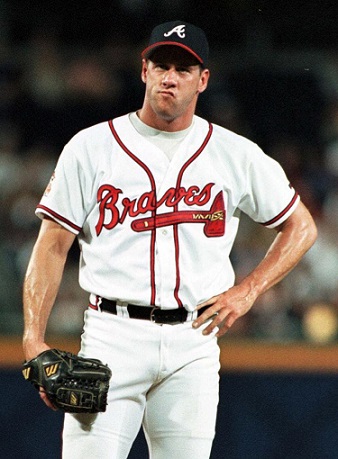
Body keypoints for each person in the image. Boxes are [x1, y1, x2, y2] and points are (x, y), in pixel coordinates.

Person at [22, 20, 317, 459]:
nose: (170, 77)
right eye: (161, 64)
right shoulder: (91, 147)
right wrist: (32, 338)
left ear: (203, 80)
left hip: (193, 342)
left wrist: (248, 289)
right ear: (144, 70)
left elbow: (302, 226)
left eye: (183, 68)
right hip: (112, 335)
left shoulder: (234, 153)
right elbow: (51, 244)